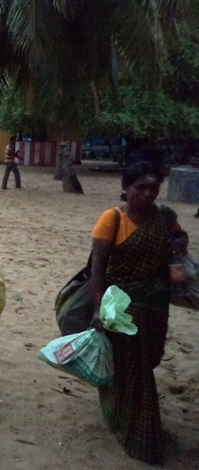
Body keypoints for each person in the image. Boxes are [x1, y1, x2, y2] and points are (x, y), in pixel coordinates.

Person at [89, 161, 188, 464]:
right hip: (123, 306)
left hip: (156, 304)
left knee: (149, 359)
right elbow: (98, 266)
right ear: (126, 187)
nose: (147, 193)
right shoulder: (112, 219)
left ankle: (120, 408)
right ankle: (141, 434)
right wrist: (98, 309)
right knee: (138, 367)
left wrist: (178, 249)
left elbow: (179, 238)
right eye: (140, 187)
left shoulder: (165, 218)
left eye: (153, 187)